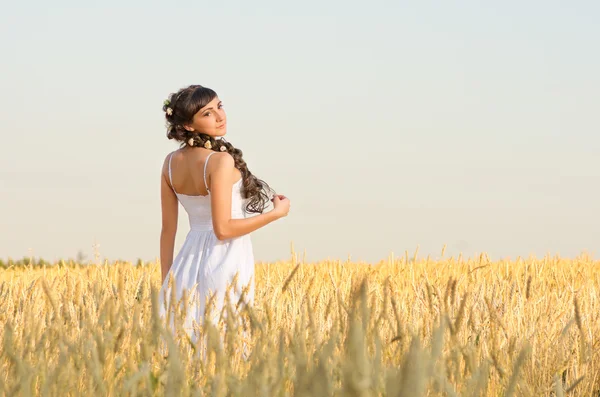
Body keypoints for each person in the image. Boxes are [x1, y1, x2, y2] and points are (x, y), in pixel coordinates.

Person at [158, 84, 290, 345]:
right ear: (188, 126)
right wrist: (276, 214)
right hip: (225, 258)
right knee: (225, 345)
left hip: (186, 262)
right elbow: (224, 229)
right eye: (207, 113)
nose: (220, 116)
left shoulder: (170, 163)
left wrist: (167, 283)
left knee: (186, 345)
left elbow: (168, 231)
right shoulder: (219, 161)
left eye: (219, 106)